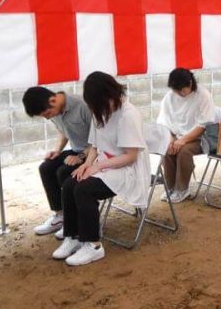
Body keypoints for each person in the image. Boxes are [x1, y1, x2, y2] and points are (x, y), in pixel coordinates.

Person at [53, 72, 151, 267]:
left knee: (83, 189)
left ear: (111, 94)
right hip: (106, 164)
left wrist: (97, 166)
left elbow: (130, 156)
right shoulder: (102, 111)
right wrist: (87, 165)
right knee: (71, 182)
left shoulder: (128, 114)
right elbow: (95, 146)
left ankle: (93, 245)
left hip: (127, 170)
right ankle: (73, 235)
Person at [22, 86, 94, 238]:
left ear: (53, 100)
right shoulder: (54, 110)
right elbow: (63, 131)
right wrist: (57, 150)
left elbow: (100, 137)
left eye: (47, 114)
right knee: (46, 167)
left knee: (63, 172)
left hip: (94, 153)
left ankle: (74, 221)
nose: (48, 118)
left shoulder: (82, 106)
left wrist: (81, 157)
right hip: (77, 150)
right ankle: (60, 216)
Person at [157, 68, 216, 203]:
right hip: (177, 135)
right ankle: (171, 187)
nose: (180, 93)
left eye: (182, 90)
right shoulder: (170, 97)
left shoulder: (203, 95)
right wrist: (171, 139)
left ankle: (182, 189)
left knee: (184, 151)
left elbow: (203, 126)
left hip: (200, 137)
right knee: (168, 148)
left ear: (190, 83)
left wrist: (183, 140)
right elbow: (164, 122)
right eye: (176, 91)